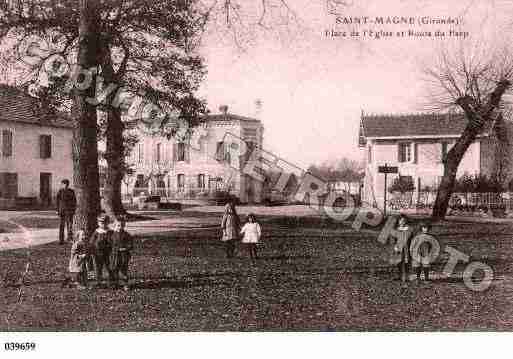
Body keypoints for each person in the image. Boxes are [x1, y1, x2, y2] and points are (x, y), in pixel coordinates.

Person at [109, 217, 134, 290]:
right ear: (114, 225)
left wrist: (125, 248)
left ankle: (125, 284)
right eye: (118, 225)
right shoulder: (112, 235)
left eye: (122, 225)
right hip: (114, 255)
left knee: (123, 270)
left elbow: (130, 244)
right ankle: (115, 283)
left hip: (124, 255)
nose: (120, 227)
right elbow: (109, 244)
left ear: (124, 225)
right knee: (114, 269)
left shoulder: (127, 235)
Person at [90, 215, 113, 287]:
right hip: (98, 253)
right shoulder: (96, 232)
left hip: (108, 252)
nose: (103, 224)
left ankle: (111, 282)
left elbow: (113, 241)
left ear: (108, 223)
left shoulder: (110, 232)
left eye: (105, 222)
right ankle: (98, 281)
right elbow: (92, 242)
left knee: (109, 267)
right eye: (101, 222)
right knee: (98, 267)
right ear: (98, 223)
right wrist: (92, 249)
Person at [390, 215, 413, 282]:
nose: (402, 222)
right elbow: (393, 240)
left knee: (407, 262)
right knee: (398, 262)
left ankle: (407, 277)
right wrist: (395, 246)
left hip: (407, 248)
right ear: (398, 221)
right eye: (401, 220)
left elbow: (412, 239)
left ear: (406, 221)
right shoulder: (396, 230)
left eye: (403, 220)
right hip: (398, 248)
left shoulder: (409, 230)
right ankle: (399, 276)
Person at [56, 179, 77, 245]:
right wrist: (57, 210)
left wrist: (73, 210)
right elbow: (57, 201)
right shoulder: (60, 191)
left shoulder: (71, 191)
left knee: (69, 225)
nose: (64, 185)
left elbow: (74, 201)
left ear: (67, 184)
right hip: (62, 211)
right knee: (61, 225)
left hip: (69, 211)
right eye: (63, 184)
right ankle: (61, 240)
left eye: (65, 184)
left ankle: (69, 238)